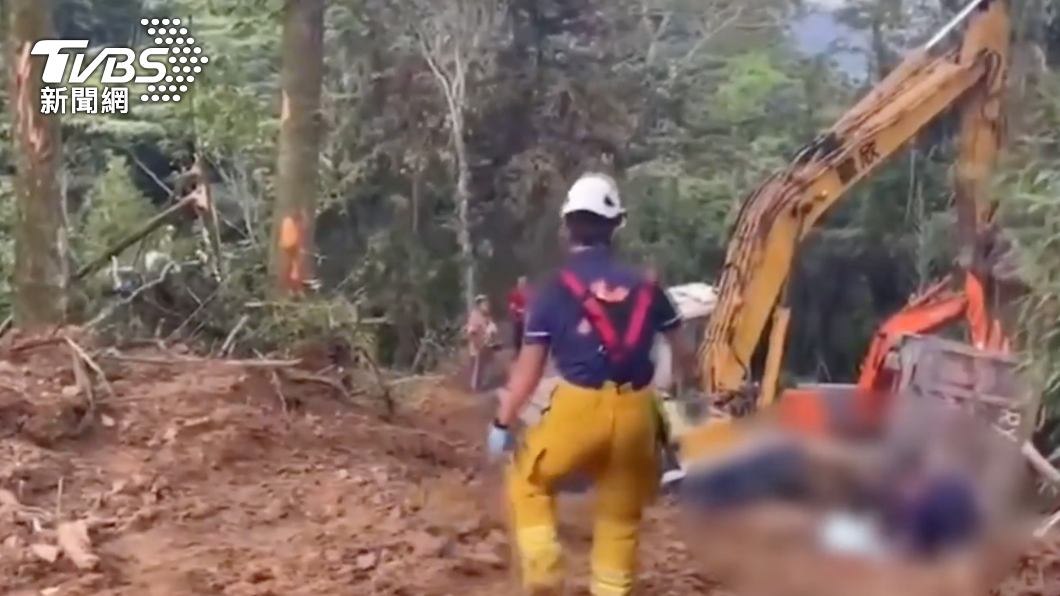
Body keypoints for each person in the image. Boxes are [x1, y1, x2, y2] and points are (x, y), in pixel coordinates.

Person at [486, 172, 699, 596]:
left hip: (577, 410)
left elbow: (528, 372)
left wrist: (501, 424)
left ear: (567, 229)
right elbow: (685, 356)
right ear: (616, 226)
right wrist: (684, 400)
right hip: (638, 415)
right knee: (620, 520)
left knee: (528, 481)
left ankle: (545, 575)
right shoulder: (650, 288)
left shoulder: (551, 291)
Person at [465, 295, 499, 391]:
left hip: (486, 345)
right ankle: (475, 387)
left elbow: (493, 328)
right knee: (477, 367)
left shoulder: (487, 316)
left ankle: (481, 384)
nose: (486, 305)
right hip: (477, 345)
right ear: (479, 305)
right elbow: (471, 330)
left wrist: (491, 333)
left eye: (487, 303)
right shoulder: (475, 315)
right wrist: (476, 340)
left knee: (485, 366)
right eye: (484, 303)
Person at [507, 276, 531, 351]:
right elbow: (512, 306)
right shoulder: (514, 293)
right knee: (518, 335)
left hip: (527, 317)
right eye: (521, 282)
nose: (522, 284)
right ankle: (517, 351)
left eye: (524, 282)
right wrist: (520, 310)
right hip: (518, 318)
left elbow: (533, 302)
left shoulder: (529, 292)